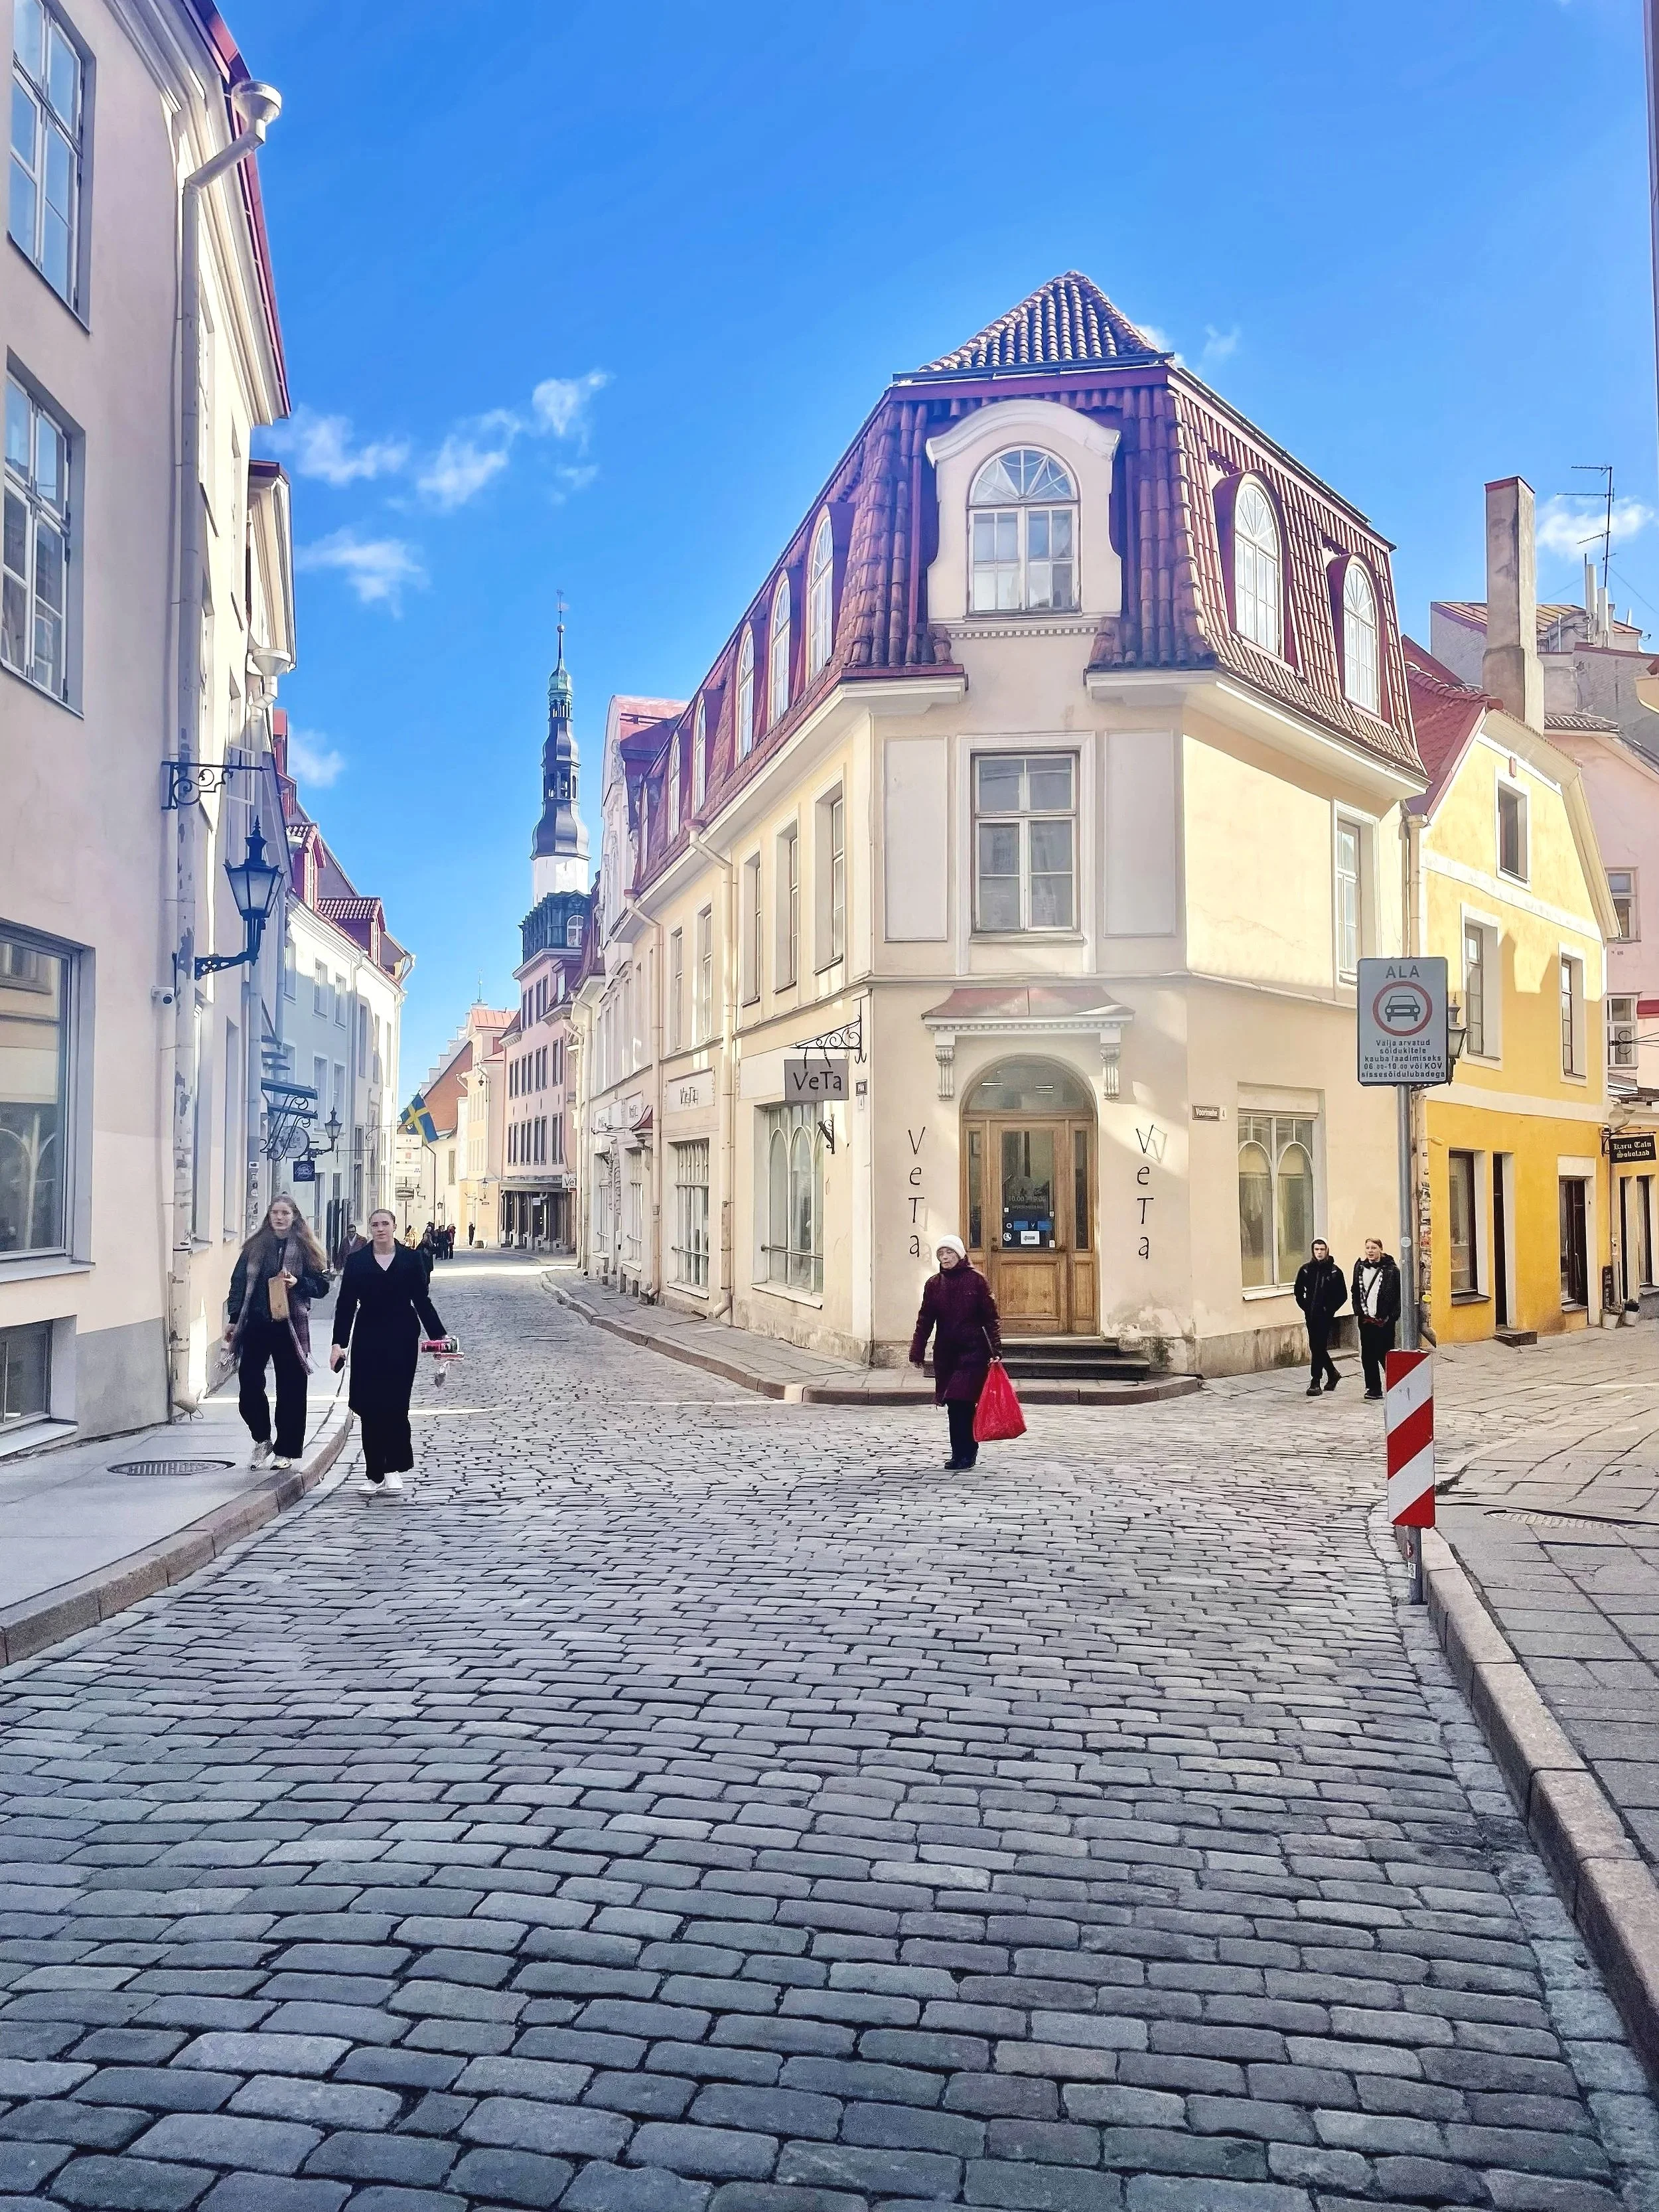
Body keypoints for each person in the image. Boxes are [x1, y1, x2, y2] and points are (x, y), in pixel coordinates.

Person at [330, 1208, 453, 1499]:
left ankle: (394, 1469)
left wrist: (440, 1337)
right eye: (375, 1224)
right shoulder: (357, 1262)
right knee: (370, 1406)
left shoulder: (411, 1260)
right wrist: (339, 1343)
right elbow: (346, 1304)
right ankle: (374, 1474)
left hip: (402, 1336)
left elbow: (422, 1301)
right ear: (370, 1229)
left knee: (396, 1405)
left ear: (395, 1227)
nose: (380, 1228)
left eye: (385, 1223)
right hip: (368, 1336)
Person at [224, 1195, 331, 1470]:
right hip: (257, 1323)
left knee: (292, 1389)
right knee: (248, 1385)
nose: (279, 1217)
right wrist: (234, 1319)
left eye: (285, 1213)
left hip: (290, 1325)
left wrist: (298, 1283)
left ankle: (286, 1449)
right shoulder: (255, 1246)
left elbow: (322, 1286)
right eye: (275, 1212)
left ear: (294, 1216)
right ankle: (262, 1438)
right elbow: (238, 1283)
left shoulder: (306, 1248)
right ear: (269, 1216)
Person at [908, 1234, 1003, 1470]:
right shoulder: (934, 1284)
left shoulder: (976, 1281)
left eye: (949, 1253)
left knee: (963, 1401)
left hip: (973, 1351)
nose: (945, 1257)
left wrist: (996, 1349)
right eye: (941, 1254)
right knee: (953, 1403)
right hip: (947, 1353)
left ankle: (969, 1452)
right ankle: (958, 1453)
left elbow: (990, 1318)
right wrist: (917, 1351)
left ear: (959, 1255)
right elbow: (925, 1320)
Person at [1293, 1238, 1348, 1396]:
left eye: (1322, 1250)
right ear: (1313, 1251)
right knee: (1316, 1346)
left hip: (1325, 1316)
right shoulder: (1305, 1270)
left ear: (1327, 1251)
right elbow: (1298, 1291)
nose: (1319, 1252)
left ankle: (1316, 1380)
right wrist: (1306, 1306)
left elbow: (1342, 1295)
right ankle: (1332, 1373)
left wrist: (1329, 1309)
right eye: (1316, 1249)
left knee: (1319, 1346)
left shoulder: (1334, 1271)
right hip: (1311, 1315)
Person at [1352, 1236, 1402, 1400]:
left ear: (1380, 1249)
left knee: (1386, 1355)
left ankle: (1397, 1385)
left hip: (1384, 1321)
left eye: (1374, 1248)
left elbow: (1398, 1296)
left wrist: (1392, 1317)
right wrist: (1358, 1311)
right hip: (1366, 1320)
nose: (1370, 1251)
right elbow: (1355, 1291)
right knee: (1367, 1356)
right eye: (1368, 1248)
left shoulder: (1391, 1270)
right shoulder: (1360, 1267)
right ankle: (1373, 1388)